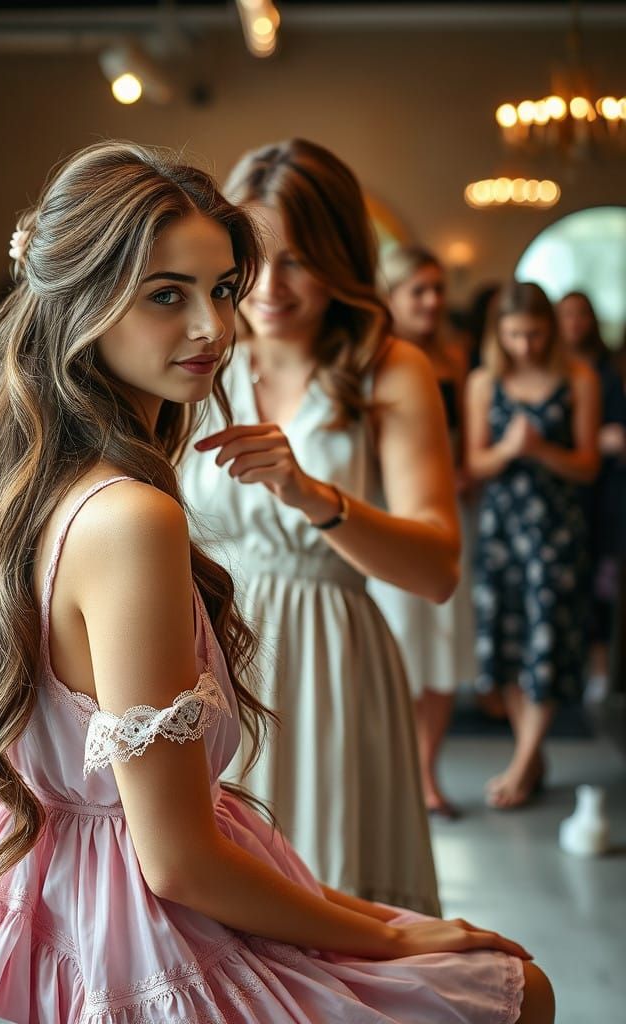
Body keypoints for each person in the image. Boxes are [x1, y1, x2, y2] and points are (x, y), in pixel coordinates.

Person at [0, 142, 552, 1024]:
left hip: (64, 867)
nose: (215, 328)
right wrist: (389, 938)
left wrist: (370, 921)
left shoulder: (45, 479)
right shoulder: (132, 517)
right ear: (82, 303)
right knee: (515, 993)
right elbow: (176, 861)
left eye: (220, 290)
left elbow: (434, 563)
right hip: (129, 910)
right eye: (168, 294)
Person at [180, 140, 455, 915]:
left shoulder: (388, 369)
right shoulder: (202, 356)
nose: (269, 287)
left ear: (340, 258)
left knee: (334, 912)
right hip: (208, 652)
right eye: (254, 258)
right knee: (222, 909)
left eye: (299, 260)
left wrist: (311, 495)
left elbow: (438, 570)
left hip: (333, 658)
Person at [466, 282, 600, 809]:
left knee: (546, 642)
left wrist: (541, 449)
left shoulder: (578, 379)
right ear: (499, 332)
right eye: (515, 335)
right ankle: (532, 752)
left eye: (536, 334)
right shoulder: (484, 382)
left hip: (557, 531)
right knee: (510, 643)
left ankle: (521, 765)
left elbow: (588, 466)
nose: (525, 346)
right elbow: (474, 464)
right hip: (502, 529)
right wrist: (506, 450)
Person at [368, 245, 477, 819]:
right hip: (388, 522)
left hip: (450, 516)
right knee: (402, 647)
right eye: (420, 291)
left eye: (438, 290)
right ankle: (402, 772)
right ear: (390, 295)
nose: (434, 301)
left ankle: (429, 771)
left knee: (443, 649)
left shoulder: (452, 358)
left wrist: (464, 473)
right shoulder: (371, 363)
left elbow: (464, 439)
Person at [555, 291, 626, 690]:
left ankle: (598, 663)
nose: (576, 323)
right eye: (567, 315)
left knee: (602, 570)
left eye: (583, 314)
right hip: (564, 490)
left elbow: (617, 434)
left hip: (604, 491)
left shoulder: (606, 371)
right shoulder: (552, 370)